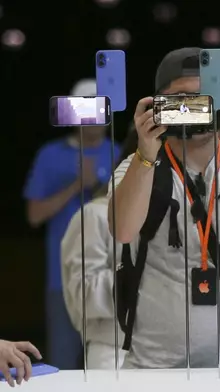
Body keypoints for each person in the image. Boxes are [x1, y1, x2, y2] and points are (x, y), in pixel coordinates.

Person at [108, 47, 220, 368]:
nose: (196, 108)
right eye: (181, 98)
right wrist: (146, 152)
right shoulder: (137, 167)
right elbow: (122, 229)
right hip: (154, 369)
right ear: (156, 106)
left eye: (205, 98)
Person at [23, 79, 121, 369]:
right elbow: (34, 215)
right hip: (63, 279)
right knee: (63, 364)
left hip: (111, 278)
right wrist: (77, 186)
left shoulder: (119, 152)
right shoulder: (49, 155)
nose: (95, 119)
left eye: (101, 110)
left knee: (112, 364)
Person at [60, 124, 138, 369]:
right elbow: (83, 296)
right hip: (113, 354)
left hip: (172, 352)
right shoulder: (94, 215)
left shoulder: (179, 217)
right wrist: (150, 277)